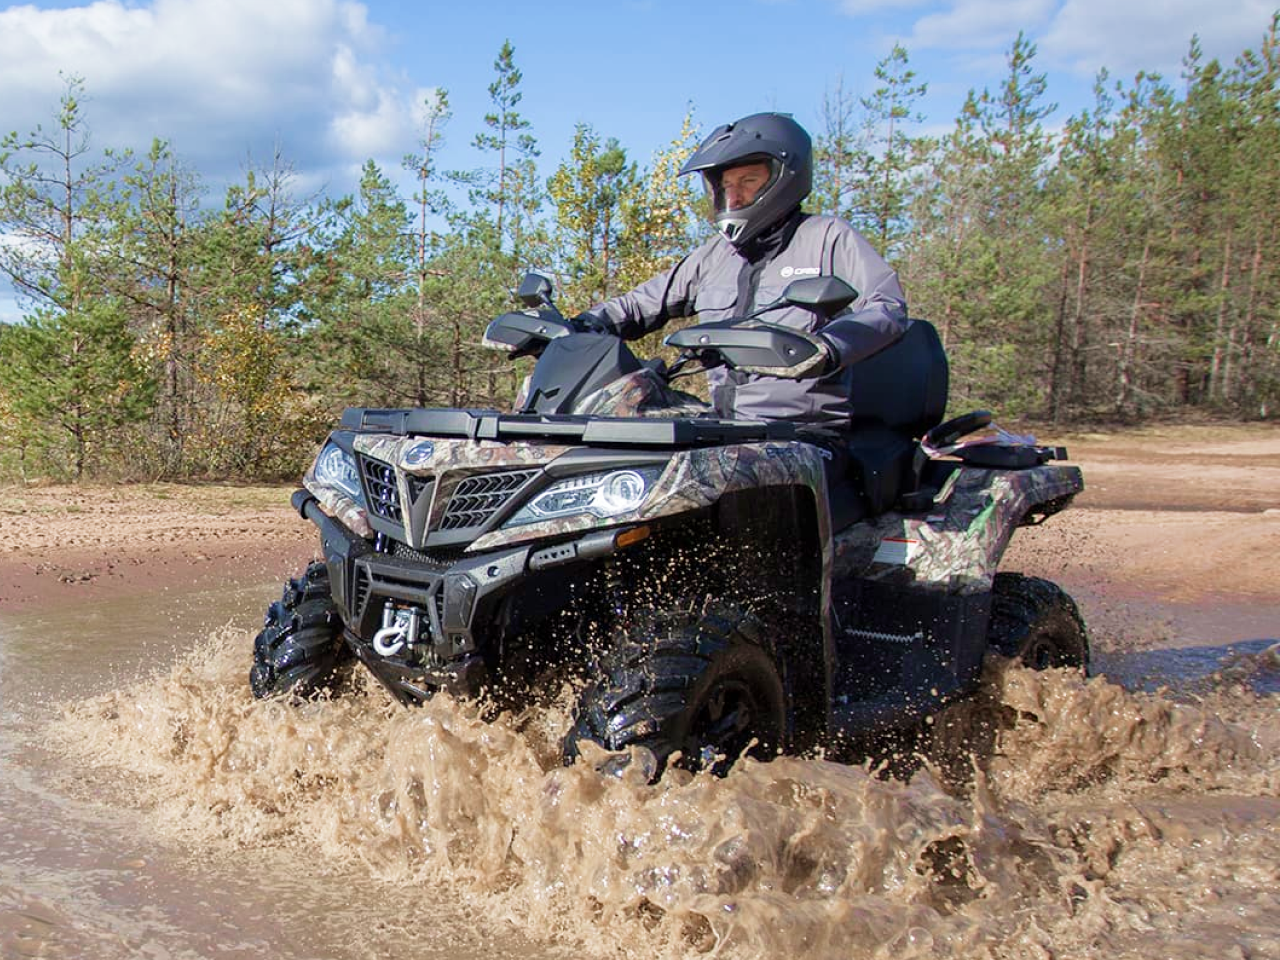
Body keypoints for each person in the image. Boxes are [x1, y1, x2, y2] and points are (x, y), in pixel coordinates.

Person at [576, 111, 910, 438]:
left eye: (748, 181)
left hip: (800, 434)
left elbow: (887, 307)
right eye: (726, 185)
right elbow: (639, 305)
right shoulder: (715, 255)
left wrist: (829, 346)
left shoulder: (827, 237)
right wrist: (578, 326)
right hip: (724, 428)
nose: (734, 195)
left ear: (784, 176)